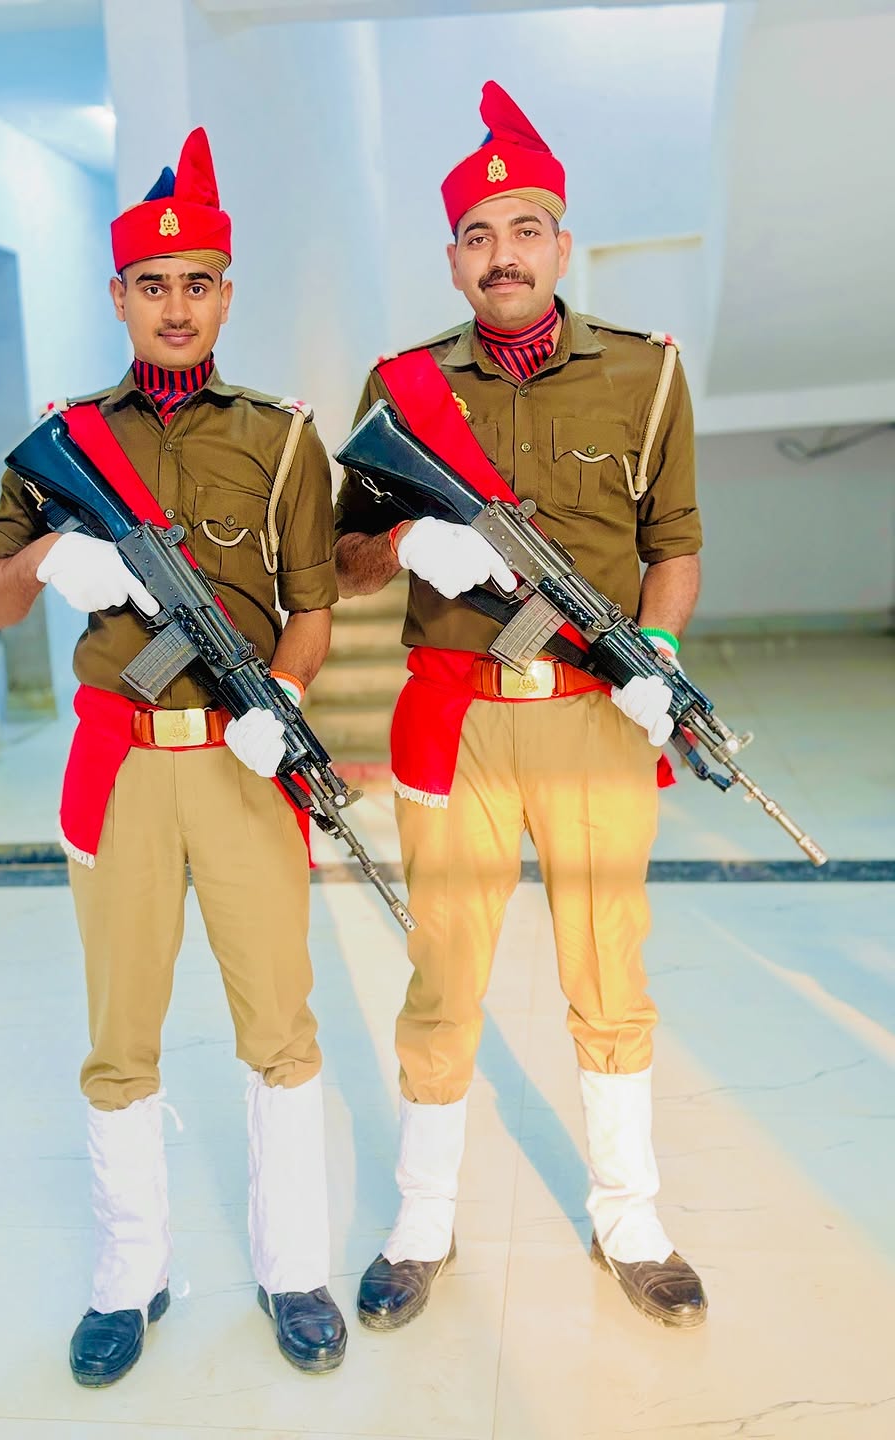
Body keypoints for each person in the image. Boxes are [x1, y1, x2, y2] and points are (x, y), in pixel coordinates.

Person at [0, 126, 347, 1383]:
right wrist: (45, 559)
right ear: (117, 294)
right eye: (151, 284)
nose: (176, 306)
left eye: (198, 283)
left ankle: (294, 1269)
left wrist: (282, 693)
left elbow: (312, 608)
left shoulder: (283, 439)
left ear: (227, 294)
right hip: (120, 766)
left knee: (279, 1024)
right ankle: (128, 1279)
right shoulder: (65, 439)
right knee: (121, 1030)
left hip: (243, 763)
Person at [333, 81, 707, 1332]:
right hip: (457, 717)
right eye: (481, 236)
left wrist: (658, 650)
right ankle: (422, 1218)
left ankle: (629, 1216)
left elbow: (674, 543)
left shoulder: (647, 373)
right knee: (445, 969)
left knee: (608, 964)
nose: (506, 254)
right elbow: (341, 560)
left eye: (527, 229)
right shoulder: (398, 386)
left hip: (595, 714)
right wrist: (408, 543)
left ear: (562, 243)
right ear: (454, 258)